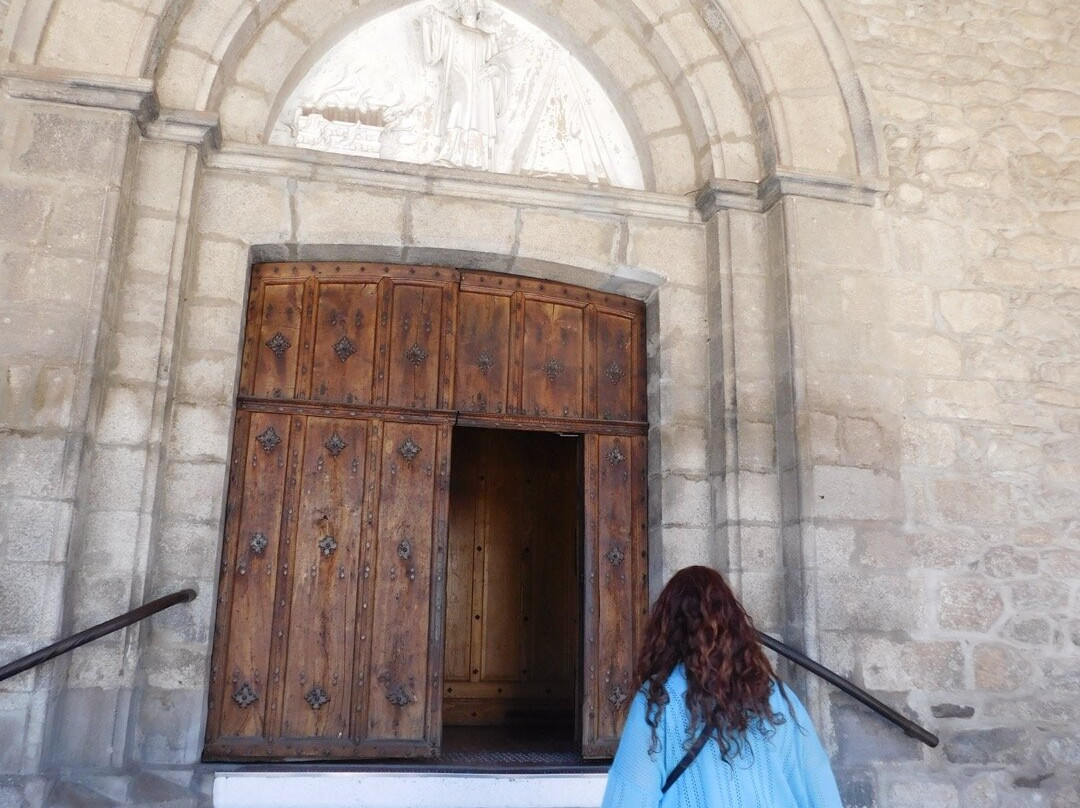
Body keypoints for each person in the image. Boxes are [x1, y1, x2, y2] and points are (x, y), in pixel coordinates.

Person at [601, 566, 844, 808]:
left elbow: (629, 795)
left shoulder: (657, 702)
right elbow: (819, 785)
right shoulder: (774, 696)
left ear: (667, 628)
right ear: (733, 623)